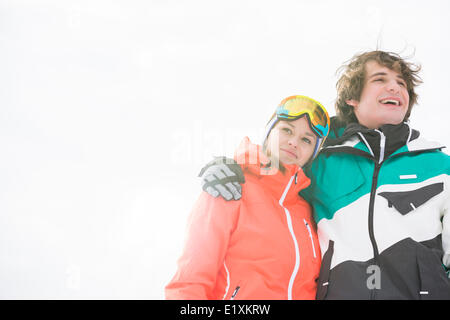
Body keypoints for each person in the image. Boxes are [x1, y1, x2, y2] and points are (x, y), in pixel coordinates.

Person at [199, 51, 450, 299]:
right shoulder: (320, 161)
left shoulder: (440, 167)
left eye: (401, 83)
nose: (395, 88)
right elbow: (273, 169)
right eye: (380, 79)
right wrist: (233, 167)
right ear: (352, 97)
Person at [165, 95, 330, 299]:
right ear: (269, 133)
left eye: (306, 139)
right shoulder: (229, 186)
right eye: (287, 130)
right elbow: (188, 284)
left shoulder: (307, 211)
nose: (293, 142)